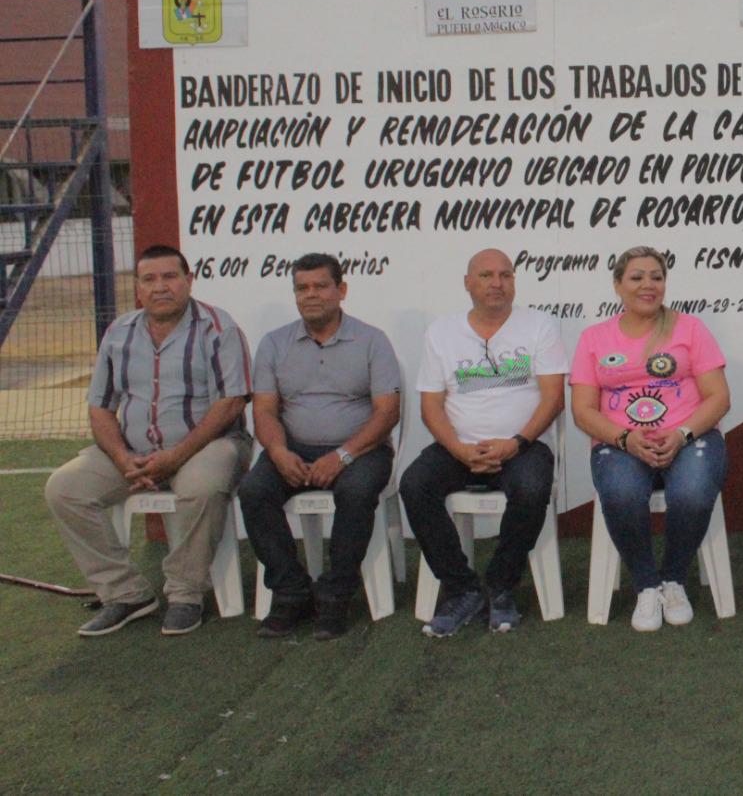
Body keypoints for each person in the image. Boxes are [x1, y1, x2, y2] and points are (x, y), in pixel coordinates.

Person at [44, 245, 252, 636]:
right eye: (149, 279)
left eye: (170, 277)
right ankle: (125, 593)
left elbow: (231, 403)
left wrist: (175, 457)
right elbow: (101, 409)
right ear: (137, 288)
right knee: (65, 489)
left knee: (202, 485)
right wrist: (123, 459)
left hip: (208, 446)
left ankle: (186, 592)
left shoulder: (219, 328)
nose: (161, 287)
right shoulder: (118, 333)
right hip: (132, 452)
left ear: (189, 281)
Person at [400, 248, 569, 637]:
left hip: (522, 445)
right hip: (458, 447)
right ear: (467, 283)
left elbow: (553, 398)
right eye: (487, 275)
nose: (497, 283)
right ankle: (462, 589)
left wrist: (516, 442)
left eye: (506, 275)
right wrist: (459, 450)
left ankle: (501, 584)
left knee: (532, 487)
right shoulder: (442, 331)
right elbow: (431, 405)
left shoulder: (540, 325)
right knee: (414, 485)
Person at [237, 253, 403, 640]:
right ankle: (292, 591)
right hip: (292, 448)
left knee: (357, 491)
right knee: (254, 491)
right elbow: (263, 410)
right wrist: (277, 452)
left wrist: (343, 455)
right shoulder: (275, 343)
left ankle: (335, 596)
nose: (311, 295)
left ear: (341, 290)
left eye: (321, 286)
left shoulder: (371, 340)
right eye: (302, 288)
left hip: (361, 450)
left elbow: (387, 413)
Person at [569, 246, 730, 632]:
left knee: (691, 494)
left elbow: (719, 397)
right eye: (637, 277)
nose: (648, 285)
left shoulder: (690, 328)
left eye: (656, 277)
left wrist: (681, 434)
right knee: (622, 494)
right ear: (617, 285)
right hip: (620, 441)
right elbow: (583, 410)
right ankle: (645, 583)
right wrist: (625, 439)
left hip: (690, 437)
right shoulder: (594, 338)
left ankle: (672, 579)